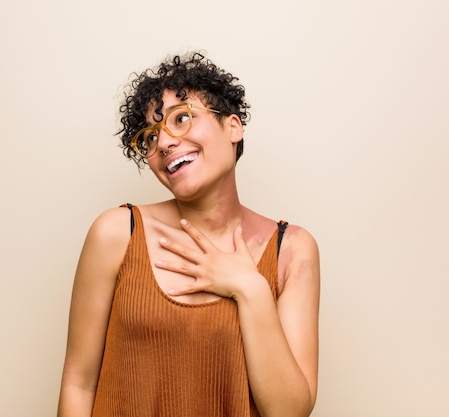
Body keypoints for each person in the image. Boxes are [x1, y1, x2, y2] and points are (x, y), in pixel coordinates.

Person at [57, 51, 320, 417]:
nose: (163, 143)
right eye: (150, 137)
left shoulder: (291, 249)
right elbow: (78, 383)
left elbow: (289, 411)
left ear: (233, 127)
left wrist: (251, 288)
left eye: (182, 118)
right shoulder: (117, 233)